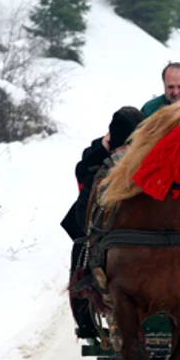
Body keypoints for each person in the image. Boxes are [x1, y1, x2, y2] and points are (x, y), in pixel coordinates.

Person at [61, 106, 146, 338]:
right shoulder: (96, 158)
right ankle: (86, 319)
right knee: (81, 249)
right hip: (107, 226)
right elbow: (84, 201)